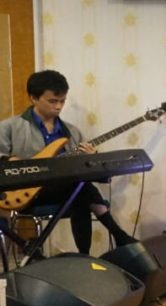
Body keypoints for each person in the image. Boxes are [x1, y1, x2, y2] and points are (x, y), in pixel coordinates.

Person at [0, 69, 137, 254]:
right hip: (26, 193)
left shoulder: (71, 132)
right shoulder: (10, 127)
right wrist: (10, 160)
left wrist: (91, 158)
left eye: (62, 101)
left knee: (80, 188)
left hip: (63, 191)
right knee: (81, 191)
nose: (58, 106)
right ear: (33, 98)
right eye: (52, 101)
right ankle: (116, 238)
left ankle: (86, 255)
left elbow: (86, 169)